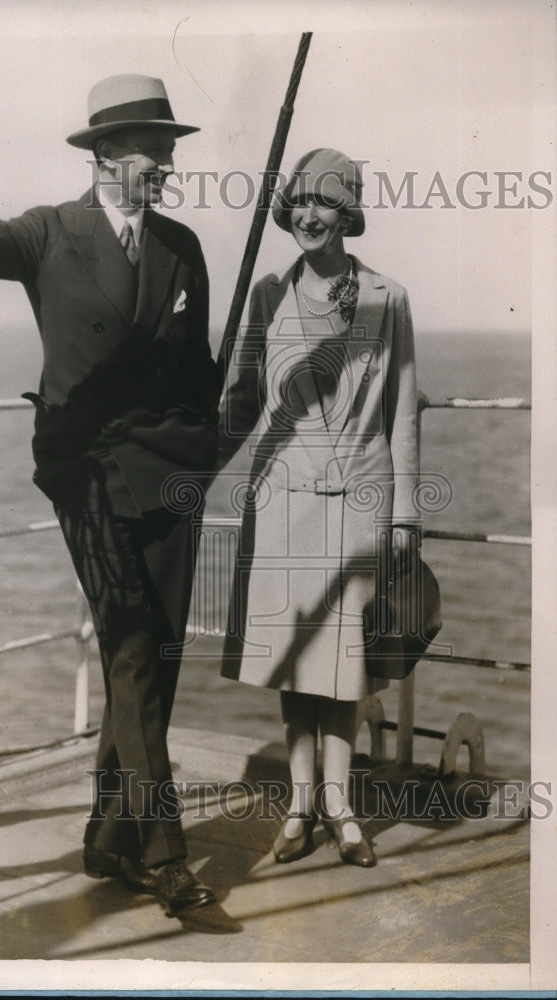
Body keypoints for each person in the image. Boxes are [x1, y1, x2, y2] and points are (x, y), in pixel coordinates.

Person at [0, 74, 221, 916]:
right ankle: (167, 856)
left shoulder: (183, 248)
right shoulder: (50, 234)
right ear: (107, 155)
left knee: (156, 654)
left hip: (172, 470)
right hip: (89, 472)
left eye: (171, 152)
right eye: (156, 152)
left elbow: (197, 369)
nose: (170, 166)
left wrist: (216, 444)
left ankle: (109, 841)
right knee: (132, 642)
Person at [217, 148, 420, 868]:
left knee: (344, 665)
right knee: (293, 661)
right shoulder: (268, 296)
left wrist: (402, 516)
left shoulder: (387, 298)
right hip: (280, 502)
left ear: (347, 215)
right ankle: (301, 804)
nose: (309, 215)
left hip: (359, 503)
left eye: (325, 204)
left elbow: (401, 416)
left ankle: (342, 805)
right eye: (300, 202)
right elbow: (241, 402)